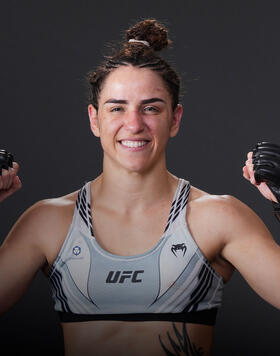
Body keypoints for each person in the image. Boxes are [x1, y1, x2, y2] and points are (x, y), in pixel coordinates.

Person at [0, 19, 280, 356]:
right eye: (117, 108)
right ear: (94, 119)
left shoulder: (218, 217)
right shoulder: (48, 221)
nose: (133, 124)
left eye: (150, 108)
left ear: (174, 119)